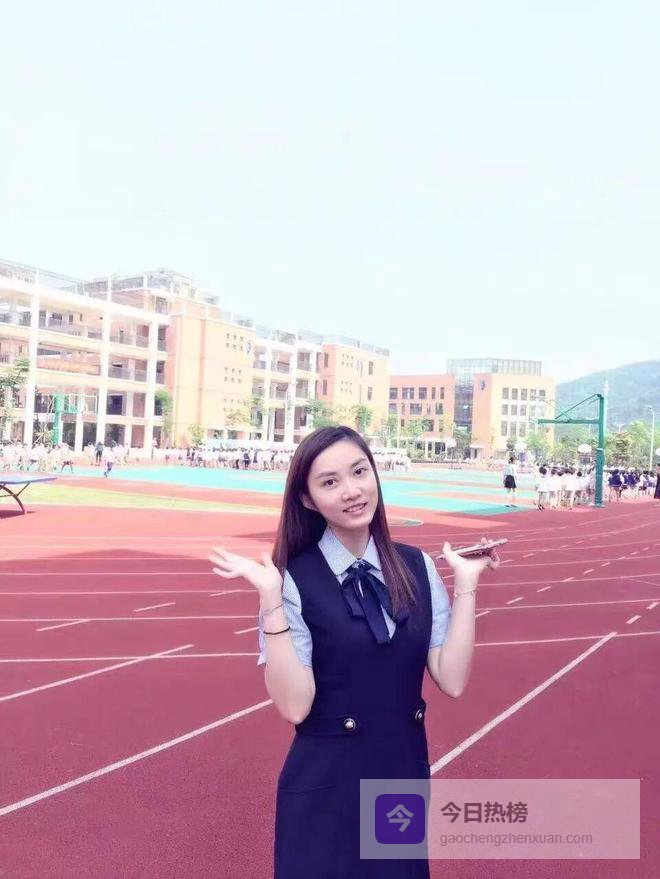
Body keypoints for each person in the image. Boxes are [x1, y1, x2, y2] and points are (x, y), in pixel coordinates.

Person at [209, 425, 500, 878]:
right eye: (330, 482)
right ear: (307, 500)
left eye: (359, 472)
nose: (352, 490)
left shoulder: (417, 566)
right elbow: (294, 705)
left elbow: (452, 678)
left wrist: (466, 585)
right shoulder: (291, 579)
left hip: (400, 777)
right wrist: (270, 600)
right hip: (326, 783)